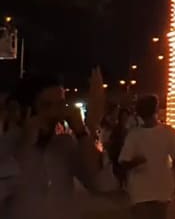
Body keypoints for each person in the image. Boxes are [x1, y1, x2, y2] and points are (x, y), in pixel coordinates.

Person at [0, 70, 106, 219]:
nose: (56, 113)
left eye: (60, 105)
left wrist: (82, 133)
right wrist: (26, 146)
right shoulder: (6, 147)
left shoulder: (65, 144)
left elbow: (99, 182)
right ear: (26, 111)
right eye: (46, 106)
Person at [119, 94, 175, 219]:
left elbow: (123, 162)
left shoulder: (133, 135)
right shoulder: (168, 131)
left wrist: (135, 163)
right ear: (156, 110)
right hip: (162, 187)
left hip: (140, 189)